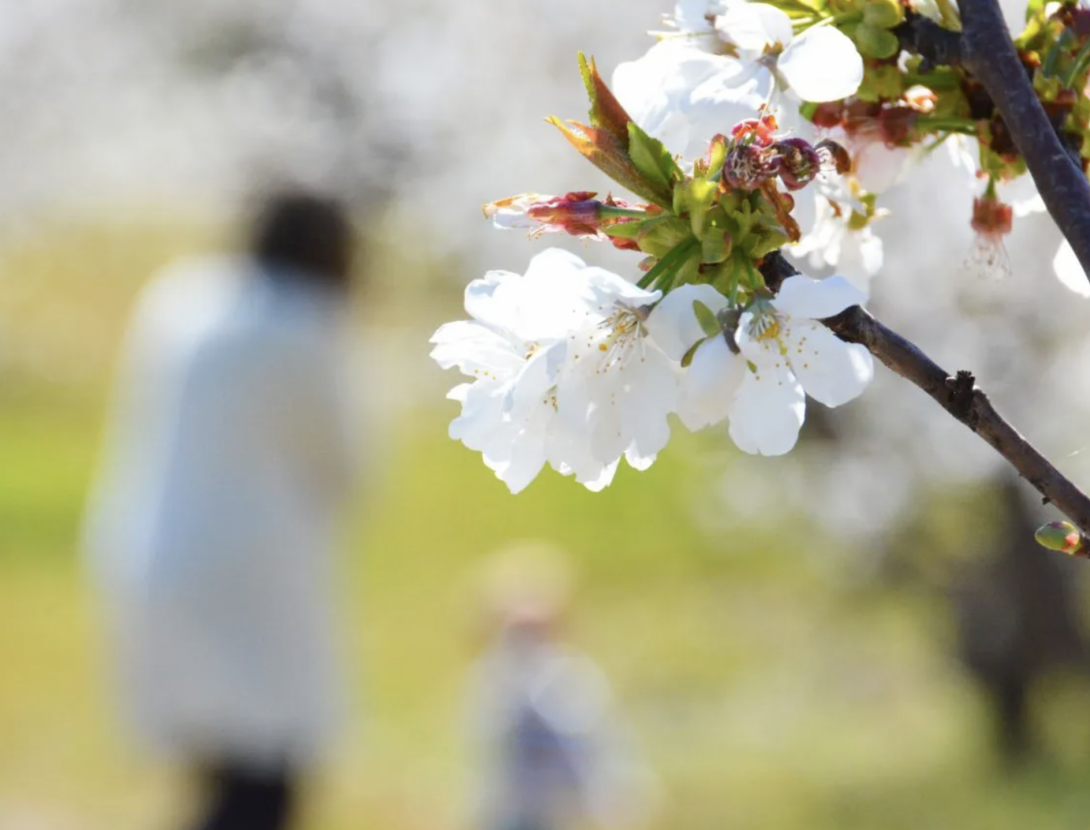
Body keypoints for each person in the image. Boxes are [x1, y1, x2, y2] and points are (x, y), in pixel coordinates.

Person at [83, 188, 362, 830]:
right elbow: (345, 467)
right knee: (265, 776)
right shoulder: (306, 323)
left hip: (146, 544)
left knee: (217, 767)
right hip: (252, 575)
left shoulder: (181, 294)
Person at [466, 541, 658, 830]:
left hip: (567, 813)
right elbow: (484, 762)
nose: (524, 641)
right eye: (516, 629)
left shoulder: (572, 677)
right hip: (508, 815)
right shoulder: (490, 679)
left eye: (534, 628)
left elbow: (596, 747)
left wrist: (615, 798)